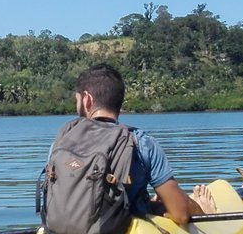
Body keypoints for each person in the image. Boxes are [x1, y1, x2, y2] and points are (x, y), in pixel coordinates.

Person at [68, 64, 215, 223]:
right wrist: (190, 209)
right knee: (181, 206)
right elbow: (180, 215)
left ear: (86, 100)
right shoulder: (141, 142)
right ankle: (208, 212)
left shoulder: (62, 142)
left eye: (77, 101)